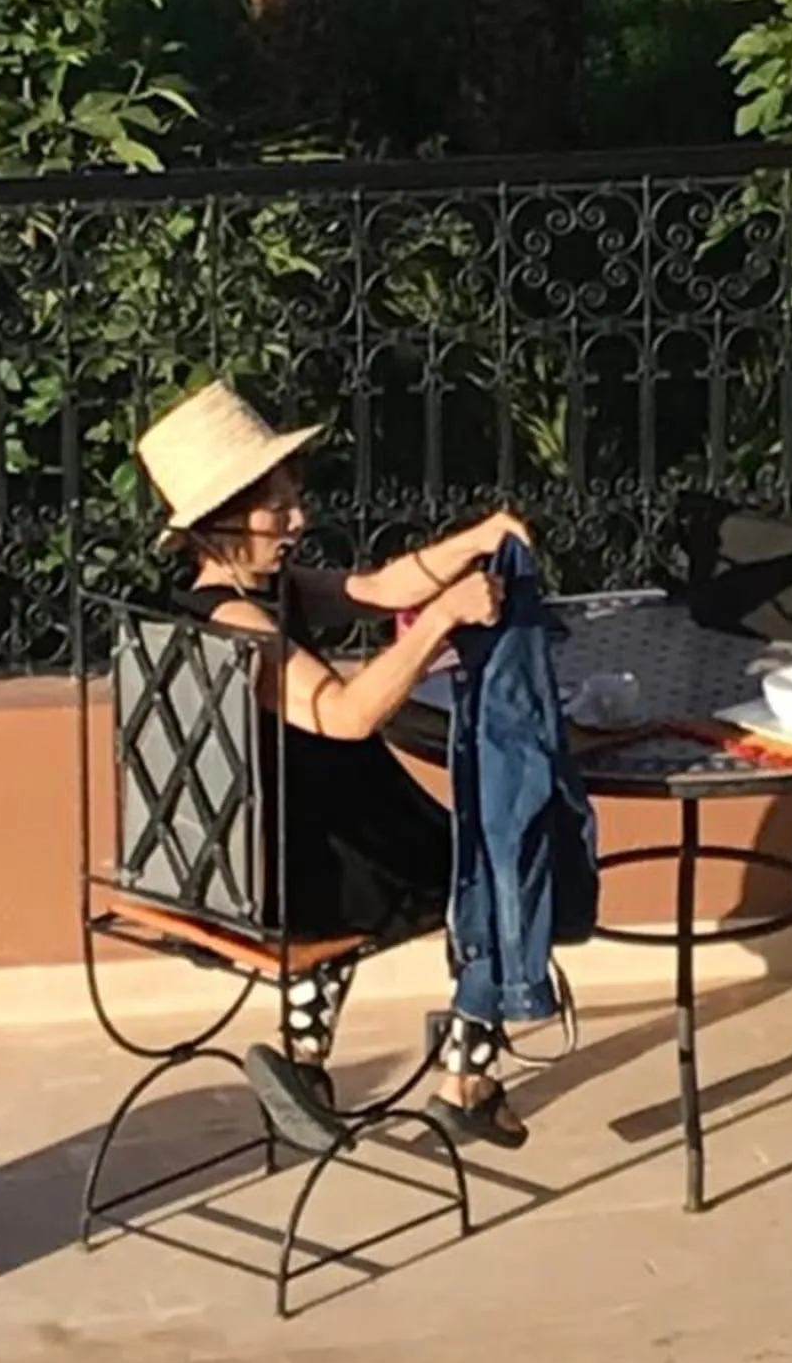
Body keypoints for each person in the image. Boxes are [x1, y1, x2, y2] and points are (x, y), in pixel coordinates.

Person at [134, 380, 531, 1156]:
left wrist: (470, 542)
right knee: (501, 868)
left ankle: (305, 1068)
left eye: (293, 498)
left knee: (446, 860)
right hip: (300, 873)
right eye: (276, 507)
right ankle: (467, 1083)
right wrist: (443, 622)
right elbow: (347, 715)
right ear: (221, 523)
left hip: (264, 849)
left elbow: (378, 590)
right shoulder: (242, 627)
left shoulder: (234, 594)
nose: (297, 519)